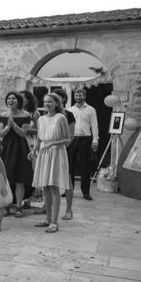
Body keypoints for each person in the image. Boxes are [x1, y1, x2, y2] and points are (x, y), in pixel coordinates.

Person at [29, 93, 71, 233]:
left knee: (54, 187)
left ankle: (54, 222)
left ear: (56, 103)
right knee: (45, 187)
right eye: (45, 101)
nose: (47, 104)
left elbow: (67, 139)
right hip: (43, 153)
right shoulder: (40, 119)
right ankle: (47, 219)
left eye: (50, 102)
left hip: (56, 153)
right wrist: (34, 150)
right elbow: (40, 139)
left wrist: (52, 143)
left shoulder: (61, 118)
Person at [0, 91, 33, 218]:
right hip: (6, 147)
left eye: (13, 99)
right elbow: (0, 134)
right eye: (8, 99)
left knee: (19, 179)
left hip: (20, 147)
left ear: (18, 101)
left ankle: (19, 207)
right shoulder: (3, 115)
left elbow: (23, 133)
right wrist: (8, 126)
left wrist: (14, 125)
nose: (10, 101)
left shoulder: (25, 115)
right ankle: (6, 206)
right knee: (6, 178)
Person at [68, 88, 98, 201]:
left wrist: (95, 140)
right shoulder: (70, 110)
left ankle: (86, 192)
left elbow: (94, 126)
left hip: (85, 140)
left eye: (80, 95)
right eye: (76, 95)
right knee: (70, 166)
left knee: (85, 167)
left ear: (84, 96)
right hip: (72, 140)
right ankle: (68, 190)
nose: (78, 97)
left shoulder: (91, 110)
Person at [52, 88, 76, 220]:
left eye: (56, 97)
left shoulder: (68, 115)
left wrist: (61, 147)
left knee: (67, 179)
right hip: (50, 150)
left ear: (63, 100)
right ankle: (47, 206)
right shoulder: (47, 115)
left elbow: (71, 135)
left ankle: (68, 210)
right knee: (49, 179)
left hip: (65, 150)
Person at [19, 90, 41, 210]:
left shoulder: (34, 114)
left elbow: (39, 130)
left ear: (29, 99)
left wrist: (26, 130)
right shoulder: (16, 112)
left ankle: (28, 198)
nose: (22, 100)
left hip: (30, 144)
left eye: (24, 98)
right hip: (19, 144)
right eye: (20, 98)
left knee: (30, 171)